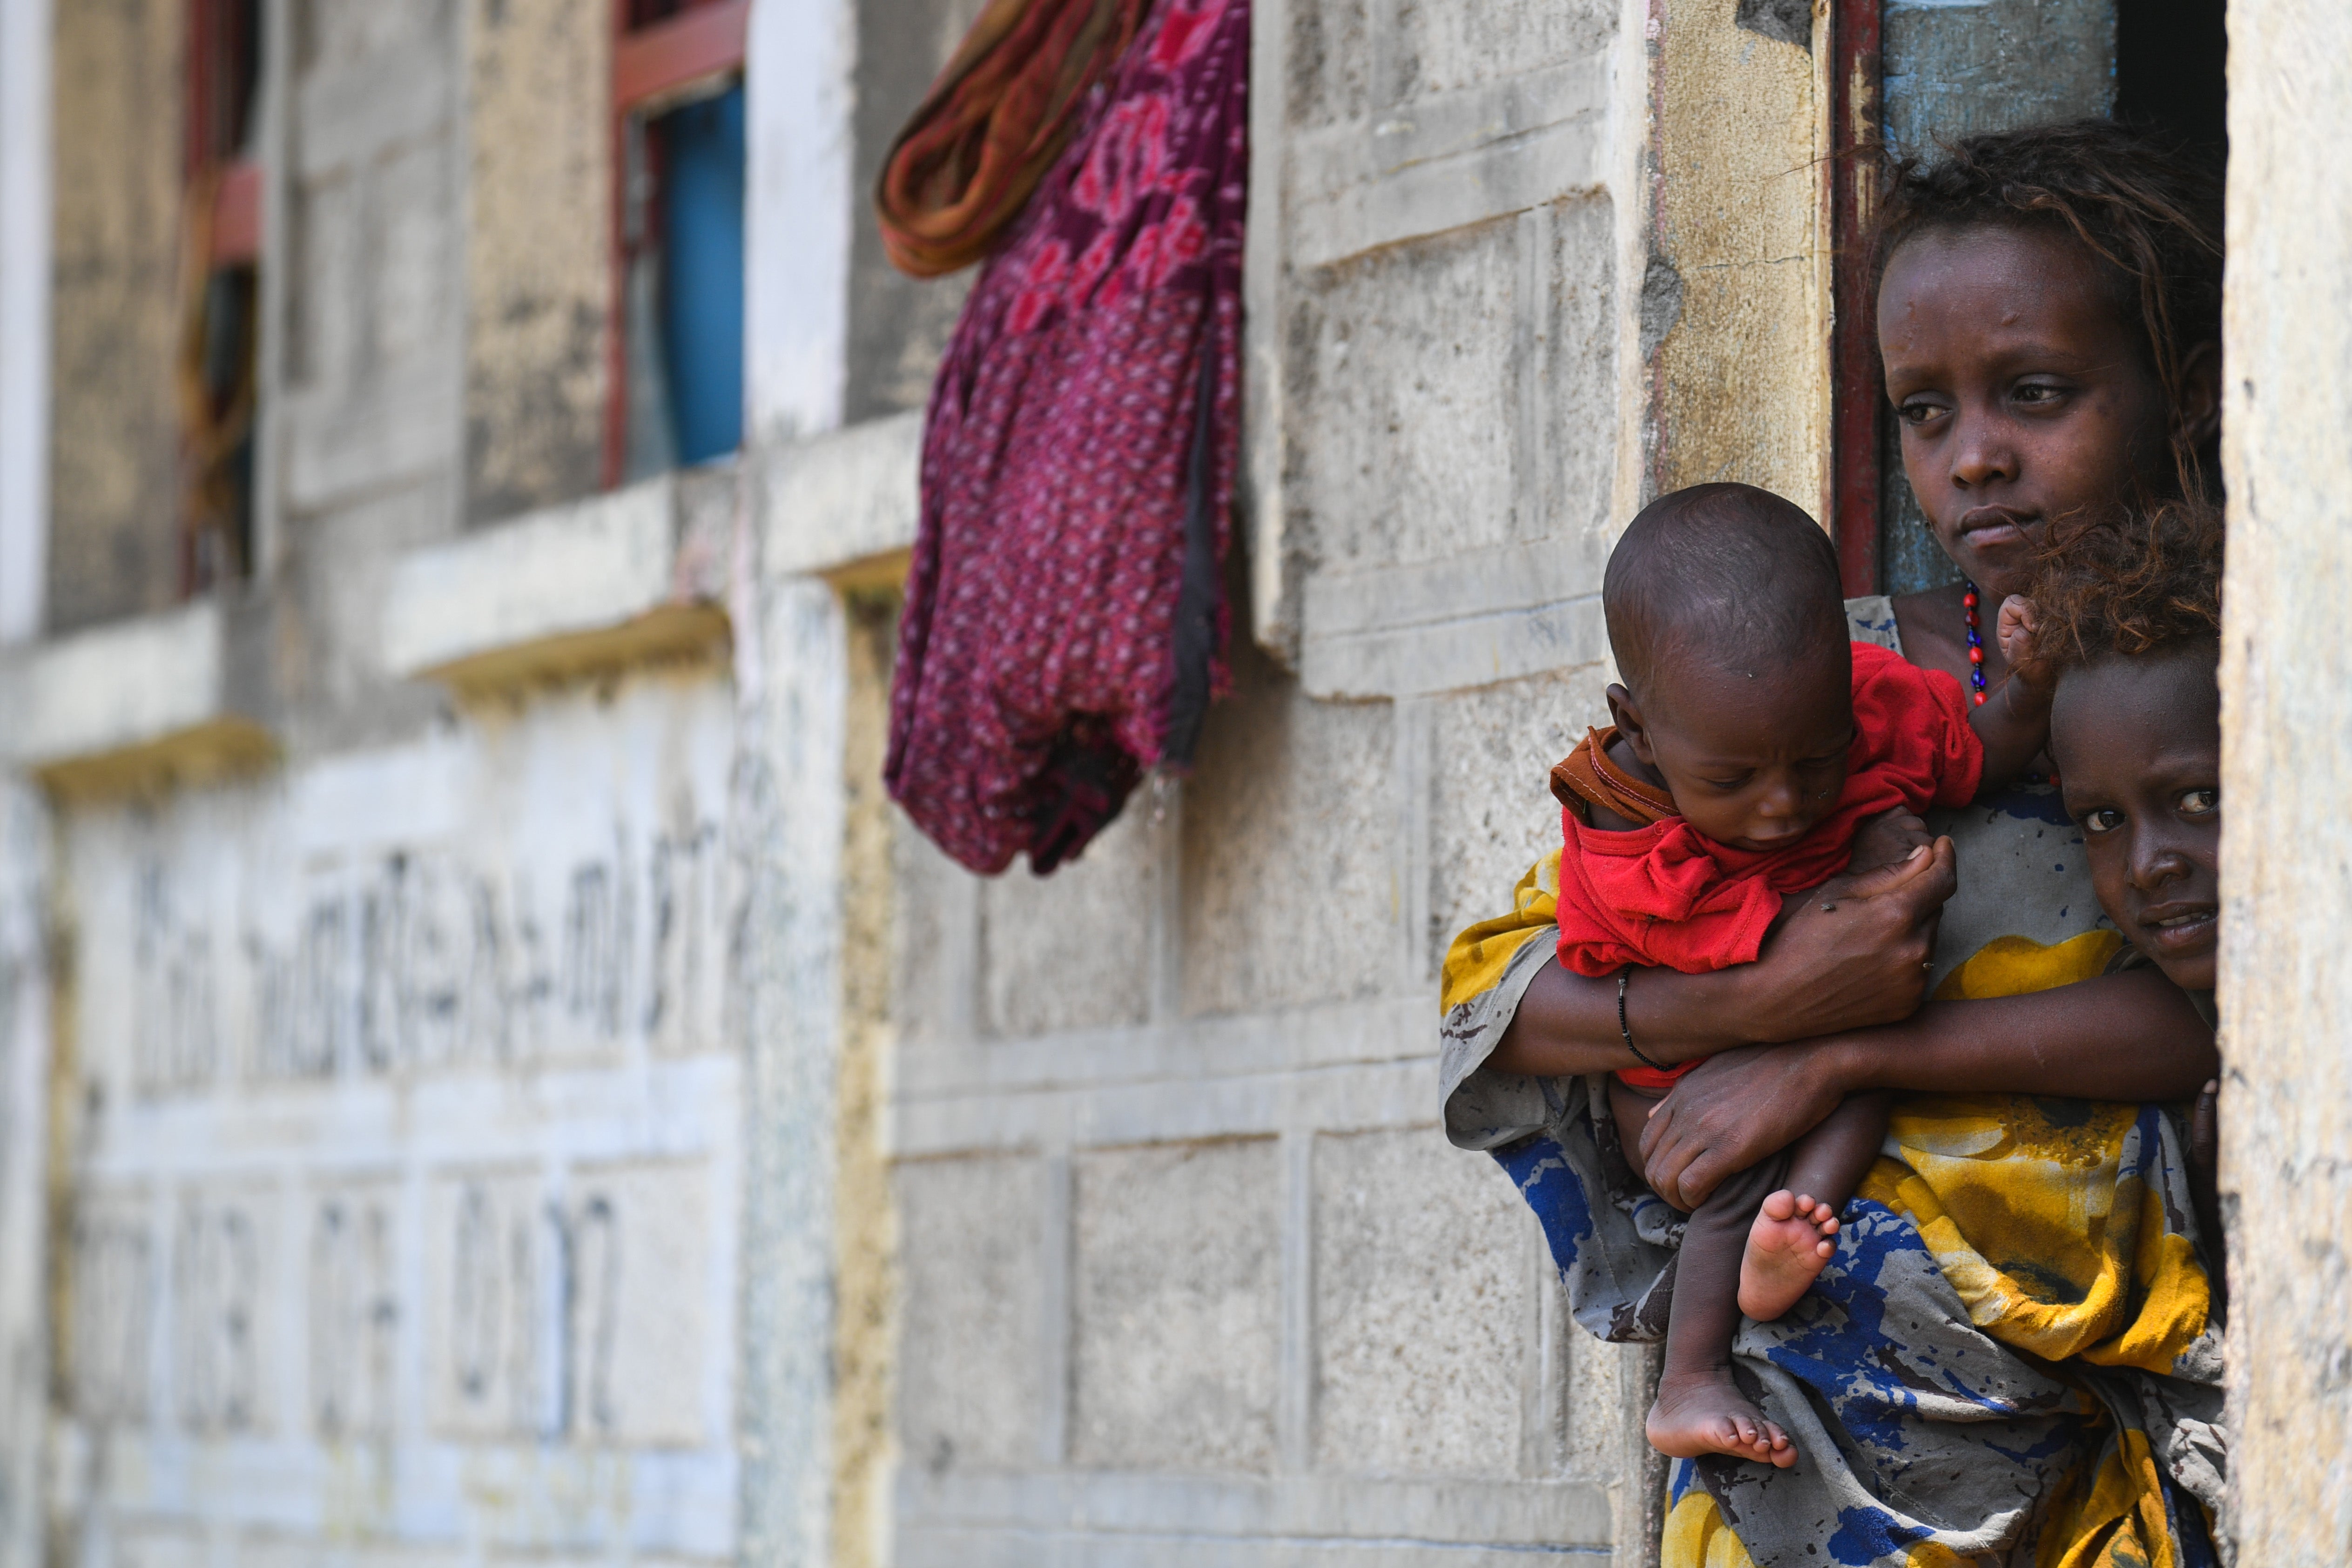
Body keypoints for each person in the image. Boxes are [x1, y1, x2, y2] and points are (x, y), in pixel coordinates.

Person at [1438, 121, 2228, 1567]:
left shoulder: (2230, 702)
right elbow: (1508, 996)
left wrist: (1838, 1050)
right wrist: (1756, 1006)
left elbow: (2216, 1018)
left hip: (2104, 1417)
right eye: (1922, 414)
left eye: (2034, 396)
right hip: (1805, 1461)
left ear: (2176, 389)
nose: (1974, 458)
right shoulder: (1820, 692)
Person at [1552, 482, 2048, 1468]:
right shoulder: (1621, 826)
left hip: (1829, 1045)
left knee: (1863, 1078)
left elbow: (1971, 761)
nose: (1782, 805)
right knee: (1732, 1182)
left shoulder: (1870, 707)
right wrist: (1845, 890)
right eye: (1733, 782)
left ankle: (1793, 1230)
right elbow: (1682, 951)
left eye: (1818, 763)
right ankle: (1691, 1373)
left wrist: (2029, 687)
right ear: (1638, 726)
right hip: (1683, 1083)